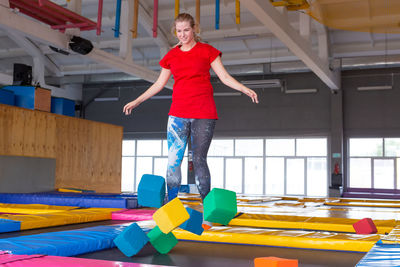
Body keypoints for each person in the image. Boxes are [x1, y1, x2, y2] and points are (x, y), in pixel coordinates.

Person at [123, 13, 258, 229]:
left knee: (199, 160)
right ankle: (172, 208)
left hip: (204, 113)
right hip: (177, 114)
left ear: (194, 29)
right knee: (173, 161)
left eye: (186, 30)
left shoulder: (207, 51)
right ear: (175, 32)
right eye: (179, 31)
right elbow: (158, 84)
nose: (183, 35)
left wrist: (244, 89)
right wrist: (137, 101)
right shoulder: (171, 56)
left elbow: (224, 76)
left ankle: (207, 213)